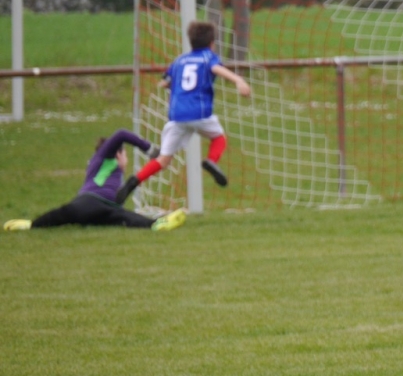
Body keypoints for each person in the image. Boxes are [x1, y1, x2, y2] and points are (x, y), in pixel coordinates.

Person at [115, 20, 252, 205]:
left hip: (177, 116)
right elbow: (217, 69)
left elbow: (166, 82)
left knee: (163, 160)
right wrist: (238, 80)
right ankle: (211, 161)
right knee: (219, 138)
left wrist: (168, 85)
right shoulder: (208, 57)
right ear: (212, 43)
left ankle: (133, 181)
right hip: (199, 113)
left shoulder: (179, 61)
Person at [3, 130, 186, 232]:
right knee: (65, 213)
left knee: (124, 217)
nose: (127, 159)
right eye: (126, 155)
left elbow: (117, 198)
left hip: (104, 208)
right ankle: (30, 225)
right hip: (91, 202)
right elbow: (122, 134)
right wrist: (149, 149)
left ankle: (157, 224)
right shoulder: (104, 158)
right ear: (118, 154)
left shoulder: (107, 171)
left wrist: (130, 185)